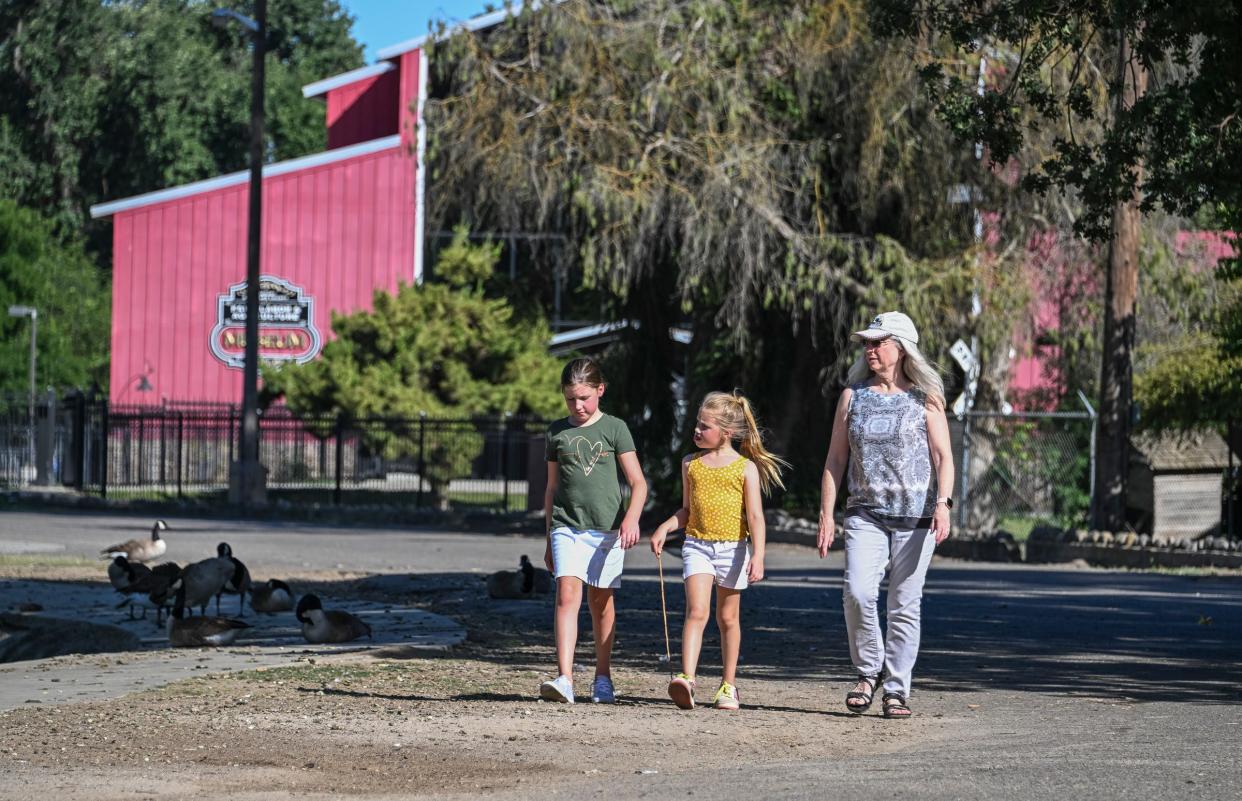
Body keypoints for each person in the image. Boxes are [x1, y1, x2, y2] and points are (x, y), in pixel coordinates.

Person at [816, 311, 955, 719]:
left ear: (901, 347)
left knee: (904, 604)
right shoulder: (853, 396)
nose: (870, 349)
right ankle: (868, 669)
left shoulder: (925, 398)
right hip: (865, 511)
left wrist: (943, 505)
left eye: (879, 342)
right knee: (858, 592)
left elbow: (944, 457)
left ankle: (897, 688)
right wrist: (826, 513)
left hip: (918, 517)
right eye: (867, 343)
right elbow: (835, 460)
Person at [651, 391, 787, 710]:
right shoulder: (690, 464)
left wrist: (759, 554)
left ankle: (729, 685)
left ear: (725, 432)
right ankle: (687, 678)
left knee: (728, 618)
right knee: (696, 612)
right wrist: (665, 526)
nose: (696, 431)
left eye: (704, 426)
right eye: (697, 424)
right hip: (696, 545)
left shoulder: (745, 468)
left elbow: (754, 516)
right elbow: (686, 510)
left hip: (733, 548)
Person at [540, 357, 647, 704]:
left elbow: (638, 482)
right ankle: (565, 678)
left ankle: (602, 677)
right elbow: (552, 488)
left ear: (600, 390)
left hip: (607, 529)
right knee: (566, 595)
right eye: (571, 398)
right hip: (566, 526)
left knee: (600, 601)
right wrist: (548, 538)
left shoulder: (615, 428)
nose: (578, 405)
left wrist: (630, 518)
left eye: (585, 397)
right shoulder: (557, 432)